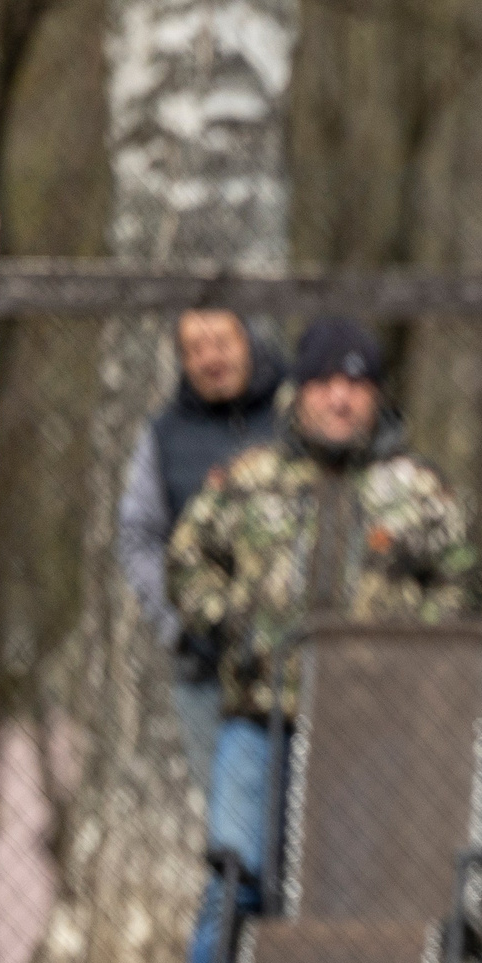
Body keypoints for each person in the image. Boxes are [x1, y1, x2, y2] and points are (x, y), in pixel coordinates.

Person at [167, 315, 476, 963]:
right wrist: (231, 617)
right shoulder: (246, 480)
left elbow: (462, 582)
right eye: (327, 384)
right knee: (233, 878)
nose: (342, 399)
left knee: (344, 894)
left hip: (365, 732)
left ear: (375, 396)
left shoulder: (419, 490)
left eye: (357, 384)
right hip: (257, 716)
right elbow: (187, 563)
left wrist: (407, 639)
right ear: (301, 392)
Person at [115, 309, 284, 792]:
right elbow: (138, 536)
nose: (211, 358)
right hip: (209, 673)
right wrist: (177, 622)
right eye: (195, 348)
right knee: (232, 833)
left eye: (221, 342)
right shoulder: (164, 436)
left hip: (303, 667)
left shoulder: (296, 418)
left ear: (249, 340)